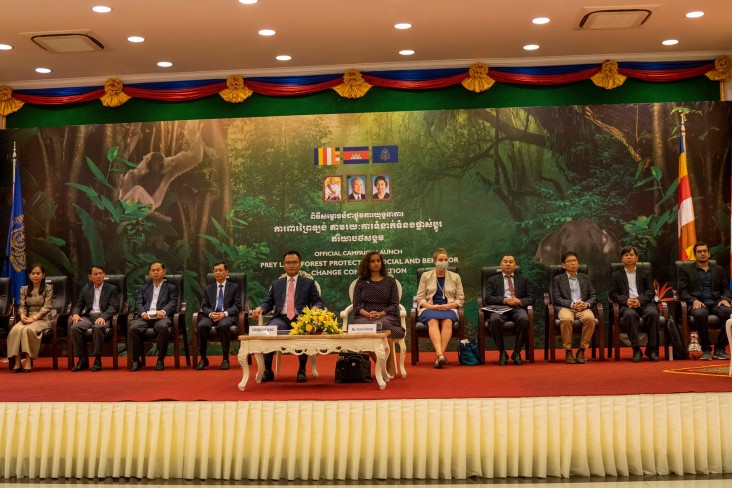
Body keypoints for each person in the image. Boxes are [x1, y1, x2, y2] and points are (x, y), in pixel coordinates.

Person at [251, 251, 324, 382]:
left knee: (304, 330)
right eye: (288, 263)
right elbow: (268, 302)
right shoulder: (276, 284)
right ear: (283, 265)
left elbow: (318, 301)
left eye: (294, 262)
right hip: (281, 318)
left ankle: (301, 369)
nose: (291, 265)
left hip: (301, 318)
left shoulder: (308, 283)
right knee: (269, 331)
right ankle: (268, 370)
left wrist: (314, 309)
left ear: (300, 264)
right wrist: (260, 308)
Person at [119, 120, 204, 222]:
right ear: (148, 162)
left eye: (158, 162)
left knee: (137, 189)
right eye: (153, 162)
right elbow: (130, 179)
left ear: (163, 164)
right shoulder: (141, 168)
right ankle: (122, 204)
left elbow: (195, 157)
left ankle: (123, 212)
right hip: (133, 200)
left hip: (149, 204)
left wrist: (192, 136)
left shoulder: (169, 169)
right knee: (130, 174)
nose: (156, 165)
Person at [351, 251, 404, 377]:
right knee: (362, 328)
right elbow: (357, 306)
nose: (376, 263)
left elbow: (394, 305)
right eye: (372, 261)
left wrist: (380, 313)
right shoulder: (361, 282)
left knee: (383, 325)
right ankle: (382, 366)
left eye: (378, 261)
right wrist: (368, 314)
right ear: (367, 264)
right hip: (366, 316)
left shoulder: (390, 281)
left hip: (387, 315)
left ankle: (390, 365)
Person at [679, 241, 732, 360]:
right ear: (695, 255)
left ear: (709, 254)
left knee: (730, 313)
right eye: (699, 252)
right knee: (700, 314)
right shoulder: (686, 270)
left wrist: (725, 299)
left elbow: (726, 290)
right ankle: (706, 349)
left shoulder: (718, 269)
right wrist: (693, 300)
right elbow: (682, 291)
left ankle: (720, 348)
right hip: (698, 302)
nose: (702, 254)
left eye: (704, 251)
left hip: (716, 302)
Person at [608, 246, 660, 362]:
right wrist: (626, 300)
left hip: (644, 303)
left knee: (653, 313)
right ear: (622, 259)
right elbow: (613, 293)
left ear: (637, 258)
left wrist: (639, 300)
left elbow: (651, 291)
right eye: (626, 255)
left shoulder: (645, 273)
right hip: (627, 305)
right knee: (630, 315)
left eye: (631, 255)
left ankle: (651, 349)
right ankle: (636, 349)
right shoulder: (616, 275)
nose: (629, 257)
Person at [416, 248, 464, 368]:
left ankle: (440, 356)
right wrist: (432, 307)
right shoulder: (425, 276)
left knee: (448, 322)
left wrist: (449, 305)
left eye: (446, 260)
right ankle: (440, 355)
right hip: (429, 307)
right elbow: (420, 298)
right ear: (434, 261)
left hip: (449, 307)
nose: (443, 262)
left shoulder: (455, 277)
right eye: (440, 260)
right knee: (432, 321)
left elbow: (460, 299)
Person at [127, 261, 179, 371]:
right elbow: (139, 303)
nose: (155, 273)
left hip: (161, 317)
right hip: (145, 317)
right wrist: (143, 313)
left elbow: (173, 303)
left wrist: (163, 312)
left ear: (164, 272)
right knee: (133, 328)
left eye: (158, 270)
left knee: (163, 327)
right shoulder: (144, 288)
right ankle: (136, 360)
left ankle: (160, 359)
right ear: (149, 273)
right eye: (153, 271)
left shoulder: (171, 288)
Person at [483, 255, 534, 366]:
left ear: (514, 265)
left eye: (511, 262)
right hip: (500, 308)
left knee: (524, 319)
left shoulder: (523, 280)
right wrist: (505, 300)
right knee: (495, 320)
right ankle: (502, 352)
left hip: (517, 308)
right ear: (501, 265)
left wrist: (519, 301)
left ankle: (517, 352)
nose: (508, 264)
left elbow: (531, 298)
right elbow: (488, 298)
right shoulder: (492, 280)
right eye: (505, 262)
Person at [70, 265, 121, 372]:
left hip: (104, 316)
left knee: (98, 327)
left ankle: (97, 360)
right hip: (88, 317)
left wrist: (103, 317)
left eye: (100, 273)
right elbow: (79, 304)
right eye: (95, 274)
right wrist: (75, 313)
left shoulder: (112, 289)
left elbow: (113, 307)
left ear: (104, 274)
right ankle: (82, 360)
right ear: (90, 277)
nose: (98, 276)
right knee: (75, 328)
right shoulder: (86, 289)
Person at [195, 261, 242, 371]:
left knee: (223, 325)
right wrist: (211, 314)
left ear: (226, 272)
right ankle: (203, 358)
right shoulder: (208, 288)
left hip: (227, 316)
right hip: (211, 315)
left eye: (220, 270)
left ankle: (225, 358)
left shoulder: (234, 287)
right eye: (215, 271)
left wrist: (224, 314)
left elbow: (237, 306)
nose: (218, 273)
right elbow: (204, 306)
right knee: (201, 325)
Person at [552, 251, 597, 364]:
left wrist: (586, 304)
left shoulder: (585, 278)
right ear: (563, 265)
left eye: (575, 261)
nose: (573, 263)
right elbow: (557, 299)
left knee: (590, 319)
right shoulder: (558, 279)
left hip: (583, 307)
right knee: (566, 319)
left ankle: (582, 350)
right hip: (566, 307)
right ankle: (568, 351)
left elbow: (593, 296)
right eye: (569, 261)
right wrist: (572, 304)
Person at [7, 264, 53, 373]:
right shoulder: (24, 289)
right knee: (15, 330)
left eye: (38, 273)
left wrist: (34, 318)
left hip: (43, 318)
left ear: (43, 275)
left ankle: (28, 360)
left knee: (28, 330)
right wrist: (22, 316)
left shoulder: (48, 288)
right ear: (29, 275)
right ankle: (17, 361)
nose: (35, 276)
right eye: (33, 273)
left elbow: (47, 306)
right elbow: (22, 306)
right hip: (27, 317)